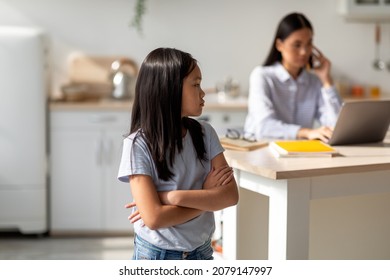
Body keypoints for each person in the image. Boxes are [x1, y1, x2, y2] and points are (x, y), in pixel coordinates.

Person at [117, 48, 239, 260]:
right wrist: (205, 195)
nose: (203, 93)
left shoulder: (205, 133)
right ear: (169, 89)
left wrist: (172, 197)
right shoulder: (137, 144)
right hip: (156, 256)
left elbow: (230, 196)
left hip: (201, 252)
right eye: (196, 84)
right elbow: (154, 218)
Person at [244, 12, 342, 142]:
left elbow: (336, 126)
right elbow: (264, 126)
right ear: (279, 45)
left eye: (309, 44)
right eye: (297, 45)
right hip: (261, 150)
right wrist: (306, 132)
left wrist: (326, 80)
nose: (304, 51)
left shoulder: (314, 81)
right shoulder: (262, 76)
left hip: (298, 154)